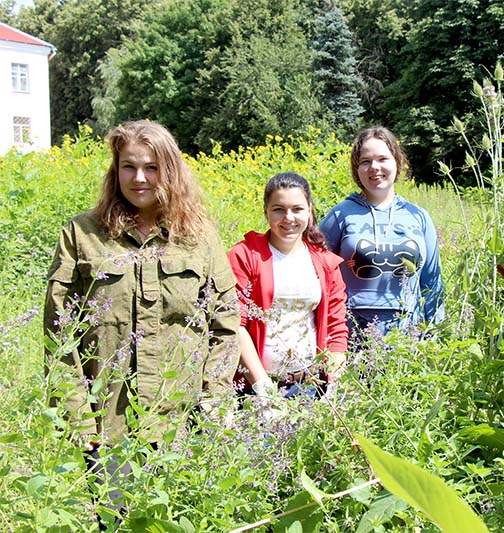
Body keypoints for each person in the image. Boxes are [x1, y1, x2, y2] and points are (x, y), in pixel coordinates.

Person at [43, 120, 239, 525]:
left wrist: (214, 399)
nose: (139, 178)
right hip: (107, 423)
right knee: (115, 523)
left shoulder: (199, 237)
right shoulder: (82, 235)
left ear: (170, 170)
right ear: (114, 172)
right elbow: (57, 333)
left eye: (151, 167)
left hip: (183, 424)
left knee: (176, 522)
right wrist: (78, 414)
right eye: (128, 167)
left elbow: (225, 325)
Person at [228, 172, 348, 400]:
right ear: (266, 212)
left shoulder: (325, 263)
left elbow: (336, 325)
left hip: (310, 385)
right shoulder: (244, 256)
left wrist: (335, 377)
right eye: (279, 209)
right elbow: (235, 325)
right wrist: (261, 386)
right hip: (256, 388)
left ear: (310, 210)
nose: (288, 218)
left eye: (297, 209)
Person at [320, 126, 444, 343]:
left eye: (382, 159)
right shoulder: (341, 214)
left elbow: (432, 283)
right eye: (365, 161)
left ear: (397, 162)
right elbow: (315, 270)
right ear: (356, 170)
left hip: (408, 339)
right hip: (351, 337)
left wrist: (436, 338)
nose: (374, 167)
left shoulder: (418, 216)